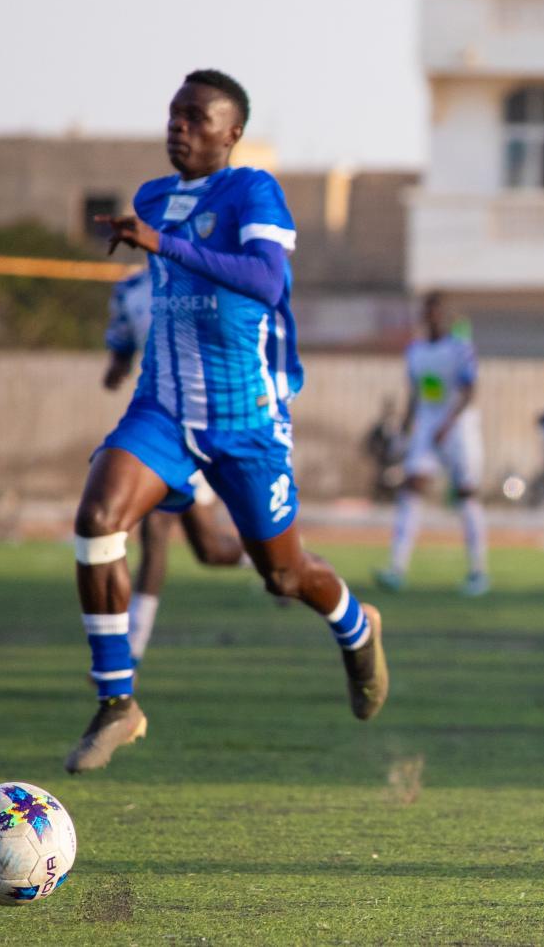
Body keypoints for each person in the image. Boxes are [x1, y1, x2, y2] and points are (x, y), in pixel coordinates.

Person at [67, 69, 388, 774]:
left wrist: (165, 245)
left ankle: (356, 626)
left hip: (246, 418)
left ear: (232, 133)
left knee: (285, 576)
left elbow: (267, 282)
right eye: (173, 114)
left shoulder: (252, 191)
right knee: (97, 522)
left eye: (196, 117)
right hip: (163, 407)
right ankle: (117, 702)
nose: (178, 126)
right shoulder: (153, 197)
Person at [101, 266, 246, 665]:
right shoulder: (129, 289)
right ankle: (272, 556)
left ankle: (130, 650)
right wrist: (115, 370)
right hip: (156, 428)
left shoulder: (202, 278)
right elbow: (122, 350)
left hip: (201, 427)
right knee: (205, 548)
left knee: (164, 530)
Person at [375, 292, 488, 596]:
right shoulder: (416, 352)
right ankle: (396, 567)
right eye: (428, 312)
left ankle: (478, 571)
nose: (432, 317)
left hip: (459, 427)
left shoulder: (461, 349)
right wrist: (404, 430)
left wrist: (447, 425)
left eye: (437, 311)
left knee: (466, 494)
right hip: (427, 425)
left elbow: (469, 391)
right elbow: (415, 394)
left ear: (446, 315)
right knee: (412, 488)